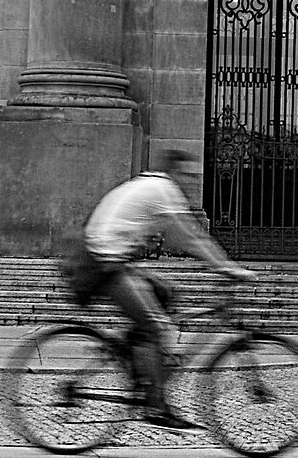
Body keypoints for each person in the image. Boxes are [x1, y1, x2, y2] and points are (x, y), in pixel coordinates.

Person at [77, 150, 252, 427]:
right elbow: (192, 237)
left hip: (109, 256)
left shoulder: (154, 186)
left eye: (194, 176)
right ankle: (156, 406)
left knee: (166, 293)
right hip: (102, 261)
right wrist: (228, 267)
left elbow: (179, 236)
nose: (193, 181)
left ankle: (138, 355)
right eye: (188, 175)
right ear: (174, 172)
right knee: (158, 327)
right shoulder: (164, 189)